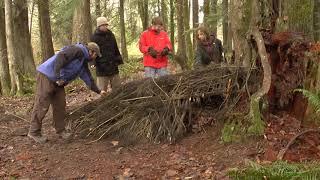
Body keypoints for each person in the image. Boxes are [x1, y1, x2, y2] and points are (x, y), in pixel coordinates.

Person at [28, 42, 106, 143]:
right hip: (46, 76)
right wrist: (57, 76)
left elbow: (88, 79)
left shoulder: (82, 63)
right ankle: (34, 132)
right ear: (91, 51)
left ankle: (61, 130)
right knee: (42, 104)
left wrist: (99, 91)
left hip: (59, 82)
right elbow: (60, 57)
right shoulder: (77, 50)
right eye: (95, 55)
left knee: (60, 106)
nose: (95, 58)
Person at [91, 16, 123, 92]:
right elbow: (92, 52)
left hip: (113, 65)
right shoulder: (94, 37)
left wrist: (119, 59)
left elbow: (115, 48)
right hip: (101, 68)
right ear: (99, 26)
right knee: (102, 91)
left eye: (106, 25)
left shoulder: (111, 35)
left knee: (117, 89)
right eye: (103, 25)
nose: (105, 26)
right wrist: (93, 63)